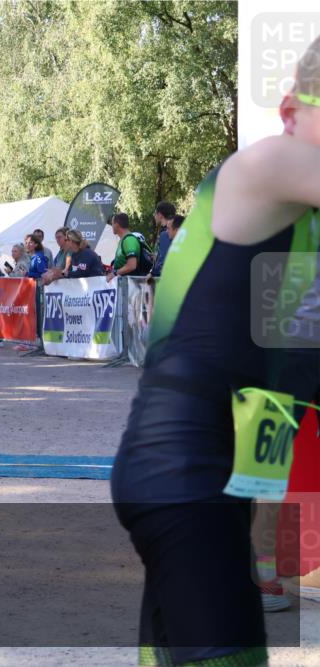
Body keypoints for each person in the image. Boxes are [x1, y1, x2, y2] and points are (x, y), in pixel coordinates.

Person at [111, 36, 320, 667]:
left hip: (210, 488)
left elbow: (279, 379)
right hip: (181, 474)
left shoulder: (302, 251)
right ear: (290, 109)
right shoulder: (267, 167)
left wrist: (263, 522)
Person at [107, 212, 151, 281]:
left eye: (112, 224)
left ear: (117, 225)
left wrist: (115, 273)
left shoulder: (129, 240)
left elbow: (132, 265)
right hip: (124, 284)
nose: (112, 226)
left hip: (131, 285)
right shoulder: (123, 240)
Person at [151, 201, 177, 277]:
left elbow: (163, 261)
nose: (154, 216)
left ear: (159, 215)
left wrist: (152, 274)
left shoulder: (165, 233)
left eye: (155, 213)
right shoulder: (177, 231)